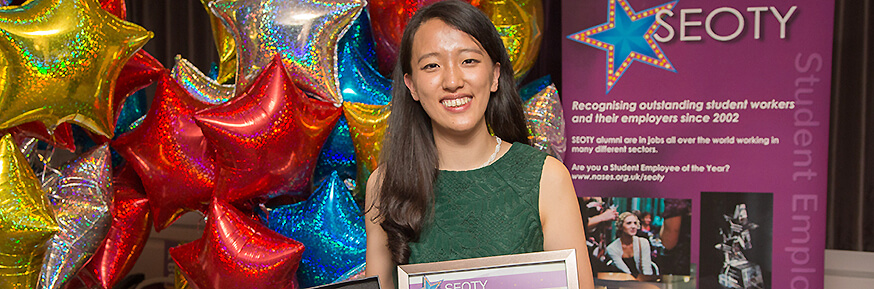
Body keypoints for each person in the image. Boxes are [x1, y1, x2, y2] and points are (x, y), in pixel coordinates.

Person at [363, 1, 594, 288]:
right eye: (432, 65)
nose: (452, 80)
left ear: (495, 75)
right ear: (411, 86)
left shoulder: (547, 177)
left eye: (468, 61)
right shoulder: (385, 184)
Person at [606, 212, 653, 277]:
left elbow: (647, 270)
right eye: (629, 223)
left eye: (635, 223)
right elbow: (625, 271)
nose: (633, 226)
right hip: (621, 281)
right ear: (620, 226)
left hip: (641, 281)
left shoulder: (643, 242)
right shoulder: (612, 248)